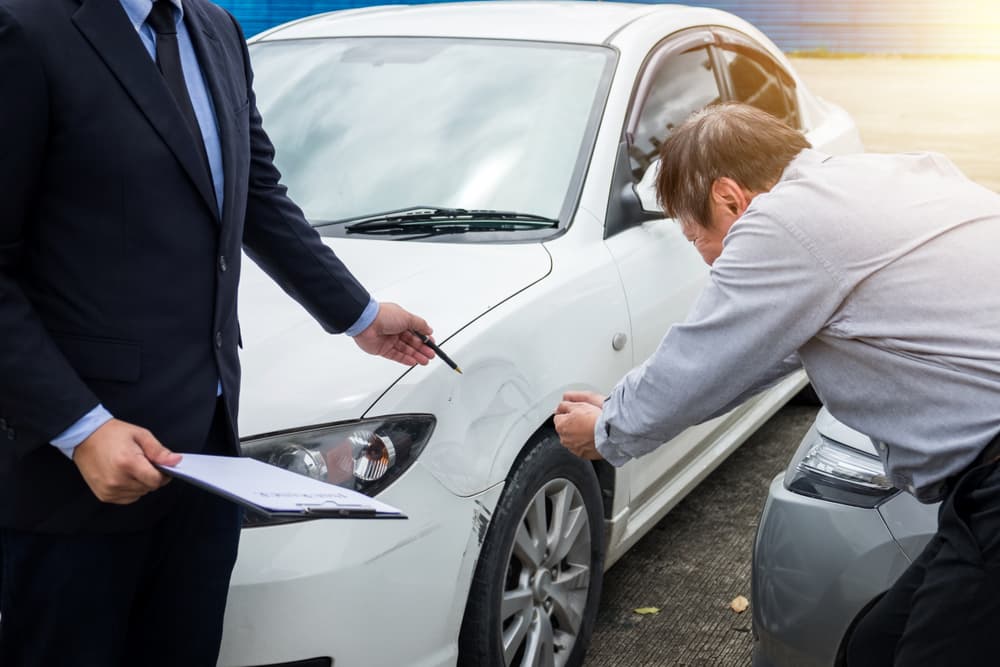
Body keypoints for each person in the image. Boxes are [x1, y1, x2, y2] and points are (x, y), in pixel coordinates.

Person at [0, 0, 436, 664]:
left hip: (207, 458)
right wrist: (80, 426)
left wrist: (361, 314)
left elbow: (255, 192)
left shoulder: (215, 28)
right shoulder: (25, 27)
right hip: (74, 482)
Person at [554, 103, 1000, 665]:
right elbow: (761, 352)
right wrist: (623, 411)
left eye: (698, 239)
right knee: (872, 649)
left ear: (728, 198)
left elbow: (703, 356)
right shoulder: (890, 176)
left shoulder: (782, 222)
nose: (709, 262)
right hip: (976, 490)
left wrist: (609, 429)